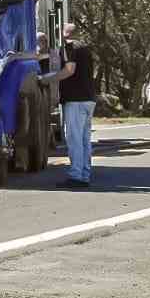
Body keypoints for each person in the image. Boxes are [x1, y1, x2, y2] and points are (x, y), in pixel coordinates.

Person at [55, 23, 96, 188]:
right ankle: (85, 174)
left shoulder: (70, 47)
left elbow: (69, 70)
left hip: (75, 100)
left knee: (74, 139)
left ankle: (76, 175)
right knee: (85, 139)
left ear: (63, 34)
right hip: (89, 98)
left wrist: (49, 78)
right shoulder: (85, 48)